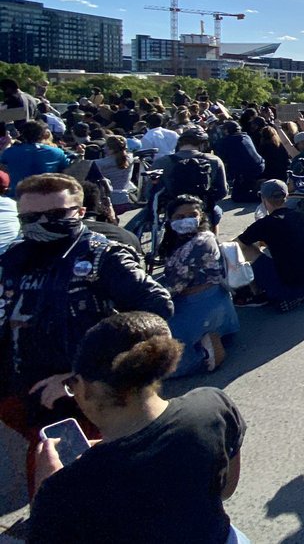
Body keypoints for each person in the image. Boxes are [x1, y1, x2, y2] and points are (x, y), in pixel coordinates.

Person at [0, 173, 172, 493]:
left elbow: (157, 308)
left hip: (79, 393)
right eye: (31, 218)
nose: (42, 224)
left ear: (79, 212)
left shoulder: (101, 256)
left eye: (55, 215)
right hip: (19, 381)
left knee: (60, 481)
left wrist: (79, 376)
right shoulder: (15, 255)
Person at [27, 311, 248, 544]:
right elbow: (225, 489)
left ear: (85, 388)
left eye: (70, 386)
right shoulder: (212, 406)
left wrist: (44, 488)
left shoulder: (64, 489)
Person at [159, 195, 239, 376]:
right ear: (170, 219)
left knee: (167, 369)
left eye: (191, 215)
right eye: (180, 217)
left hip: (196, 303)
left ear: (200, 216)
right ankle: (213, 335)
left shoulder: (199, 243)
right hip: (214, 300)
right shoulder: (194, 238)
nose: (186, 220)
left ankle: (204, 355)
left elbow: (174, 287)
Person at [235, 178, 304, 310]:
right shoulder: (302, 217)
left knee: (246, 248)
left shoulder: (264, 224)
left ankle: (256, 293)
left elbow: (236, 244)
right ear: (286, 196)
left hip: (289, 287)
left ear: (263, 199)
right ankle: (294, 294)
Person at [153, 127, 228, 230]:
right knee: (216, 212)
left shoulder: (161, 162)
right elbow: (222, 191)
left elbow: (150, 191)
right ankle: (212, 242)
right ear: (203, 144)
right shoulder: (214, 161)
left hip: (172, 208)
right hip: (201, 208)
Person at [0, 121, 71, 193]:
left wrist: (7, 144)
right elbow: (66, 170)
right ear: (44, 135)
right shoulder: (57, 152)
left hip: (17, 196)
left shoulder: (9, 152)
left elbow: (2, 162)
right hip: (45, 196)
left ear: (22, 134)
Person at [95, 135, 137, 213]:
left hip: (109, 201)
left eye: (106, 146)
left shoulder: (100, 163)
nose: (104, 149)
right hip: (125, 199)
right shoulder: (130, 159)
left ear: (111, 149)